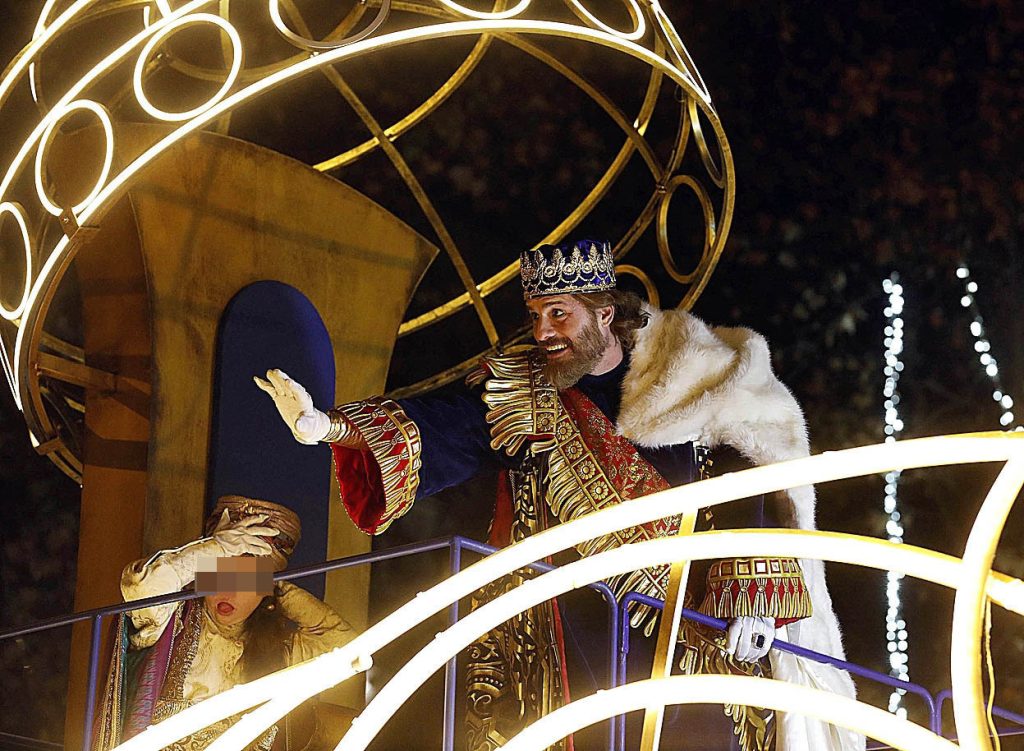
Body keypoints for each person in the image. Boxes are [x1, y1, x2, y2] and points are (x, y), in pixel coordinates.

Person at [256, 238, 862, 751]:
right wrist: (331, 428)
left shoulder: (697, 376)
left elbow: (751, 484)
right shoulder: (522, 390)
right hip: (570, 636)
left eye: (559, 314)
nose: (543, 331)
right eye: (535, 315)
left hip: (694, 635)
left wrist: (752, 598)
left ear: (604, 314)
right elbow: (447, 427)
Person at [94, 496, 357, 751]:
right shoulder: (170, 622)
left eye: (246, 580)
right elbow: (140, 587)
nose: (227, 591)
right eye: (218, 574)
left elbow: (347, 648)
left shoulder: (280, 652)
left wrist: (277, 588)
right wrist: (216, 548)